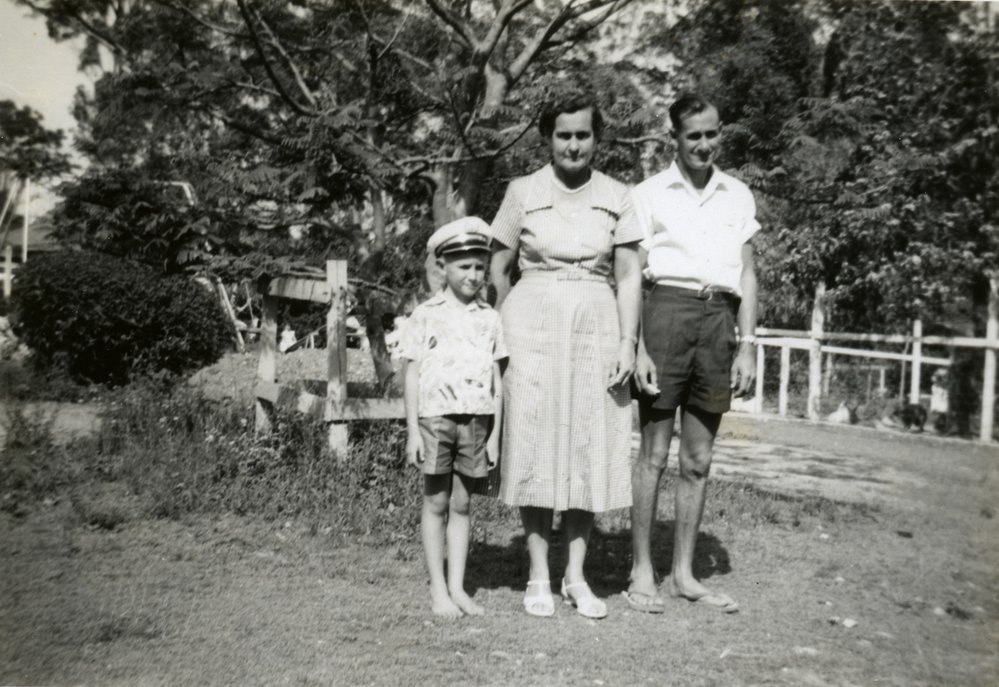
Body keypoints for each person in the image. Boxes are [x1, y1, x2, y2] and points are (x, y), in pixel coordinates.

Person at [490, 89, 643, 619]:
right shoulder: (521, 192)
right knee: (534, 440)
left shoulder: (618, 196)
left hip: (596, 325)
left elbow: (628, 275)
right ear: (547, 138)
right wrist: (499, 331)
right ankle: (537, 573)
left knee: (587, 443)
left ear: (596, 138)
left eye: (583, 135)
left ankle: (576, 576)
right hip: (531, 326)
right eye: (563, 135)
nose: (573, 145)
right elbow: (498, 267)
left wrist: (627, 341)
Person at [626, 93, 759, 615]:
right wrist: (637, 345)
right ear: (674, 138)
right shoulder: (648, 194)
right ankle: (641, 570)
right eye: (694, 135)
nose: (705, 144)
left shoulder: (737, 194)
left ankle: (683, 575)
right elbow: (630, 274)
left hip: (719, 318)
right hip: (666, 314)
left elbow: (747, 273)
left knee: (699, 459)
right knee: (654, 454)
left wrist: (747, 346)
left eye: (712, 133)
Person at [400, 217, 507, 618]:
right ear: (442, 267)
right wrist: (413, 431)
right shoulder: (425, 314)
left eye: (479, 266)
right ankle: (438, 589)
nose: (473, 275)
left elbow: (496, 381)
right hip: (435, 420)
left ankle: (459, 588)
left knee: (462, 504)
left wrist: (494, 435)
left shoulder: (490, 317)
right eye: (464, 266)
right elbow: (411, 374)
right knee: (436, 501)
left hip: (476, 421)